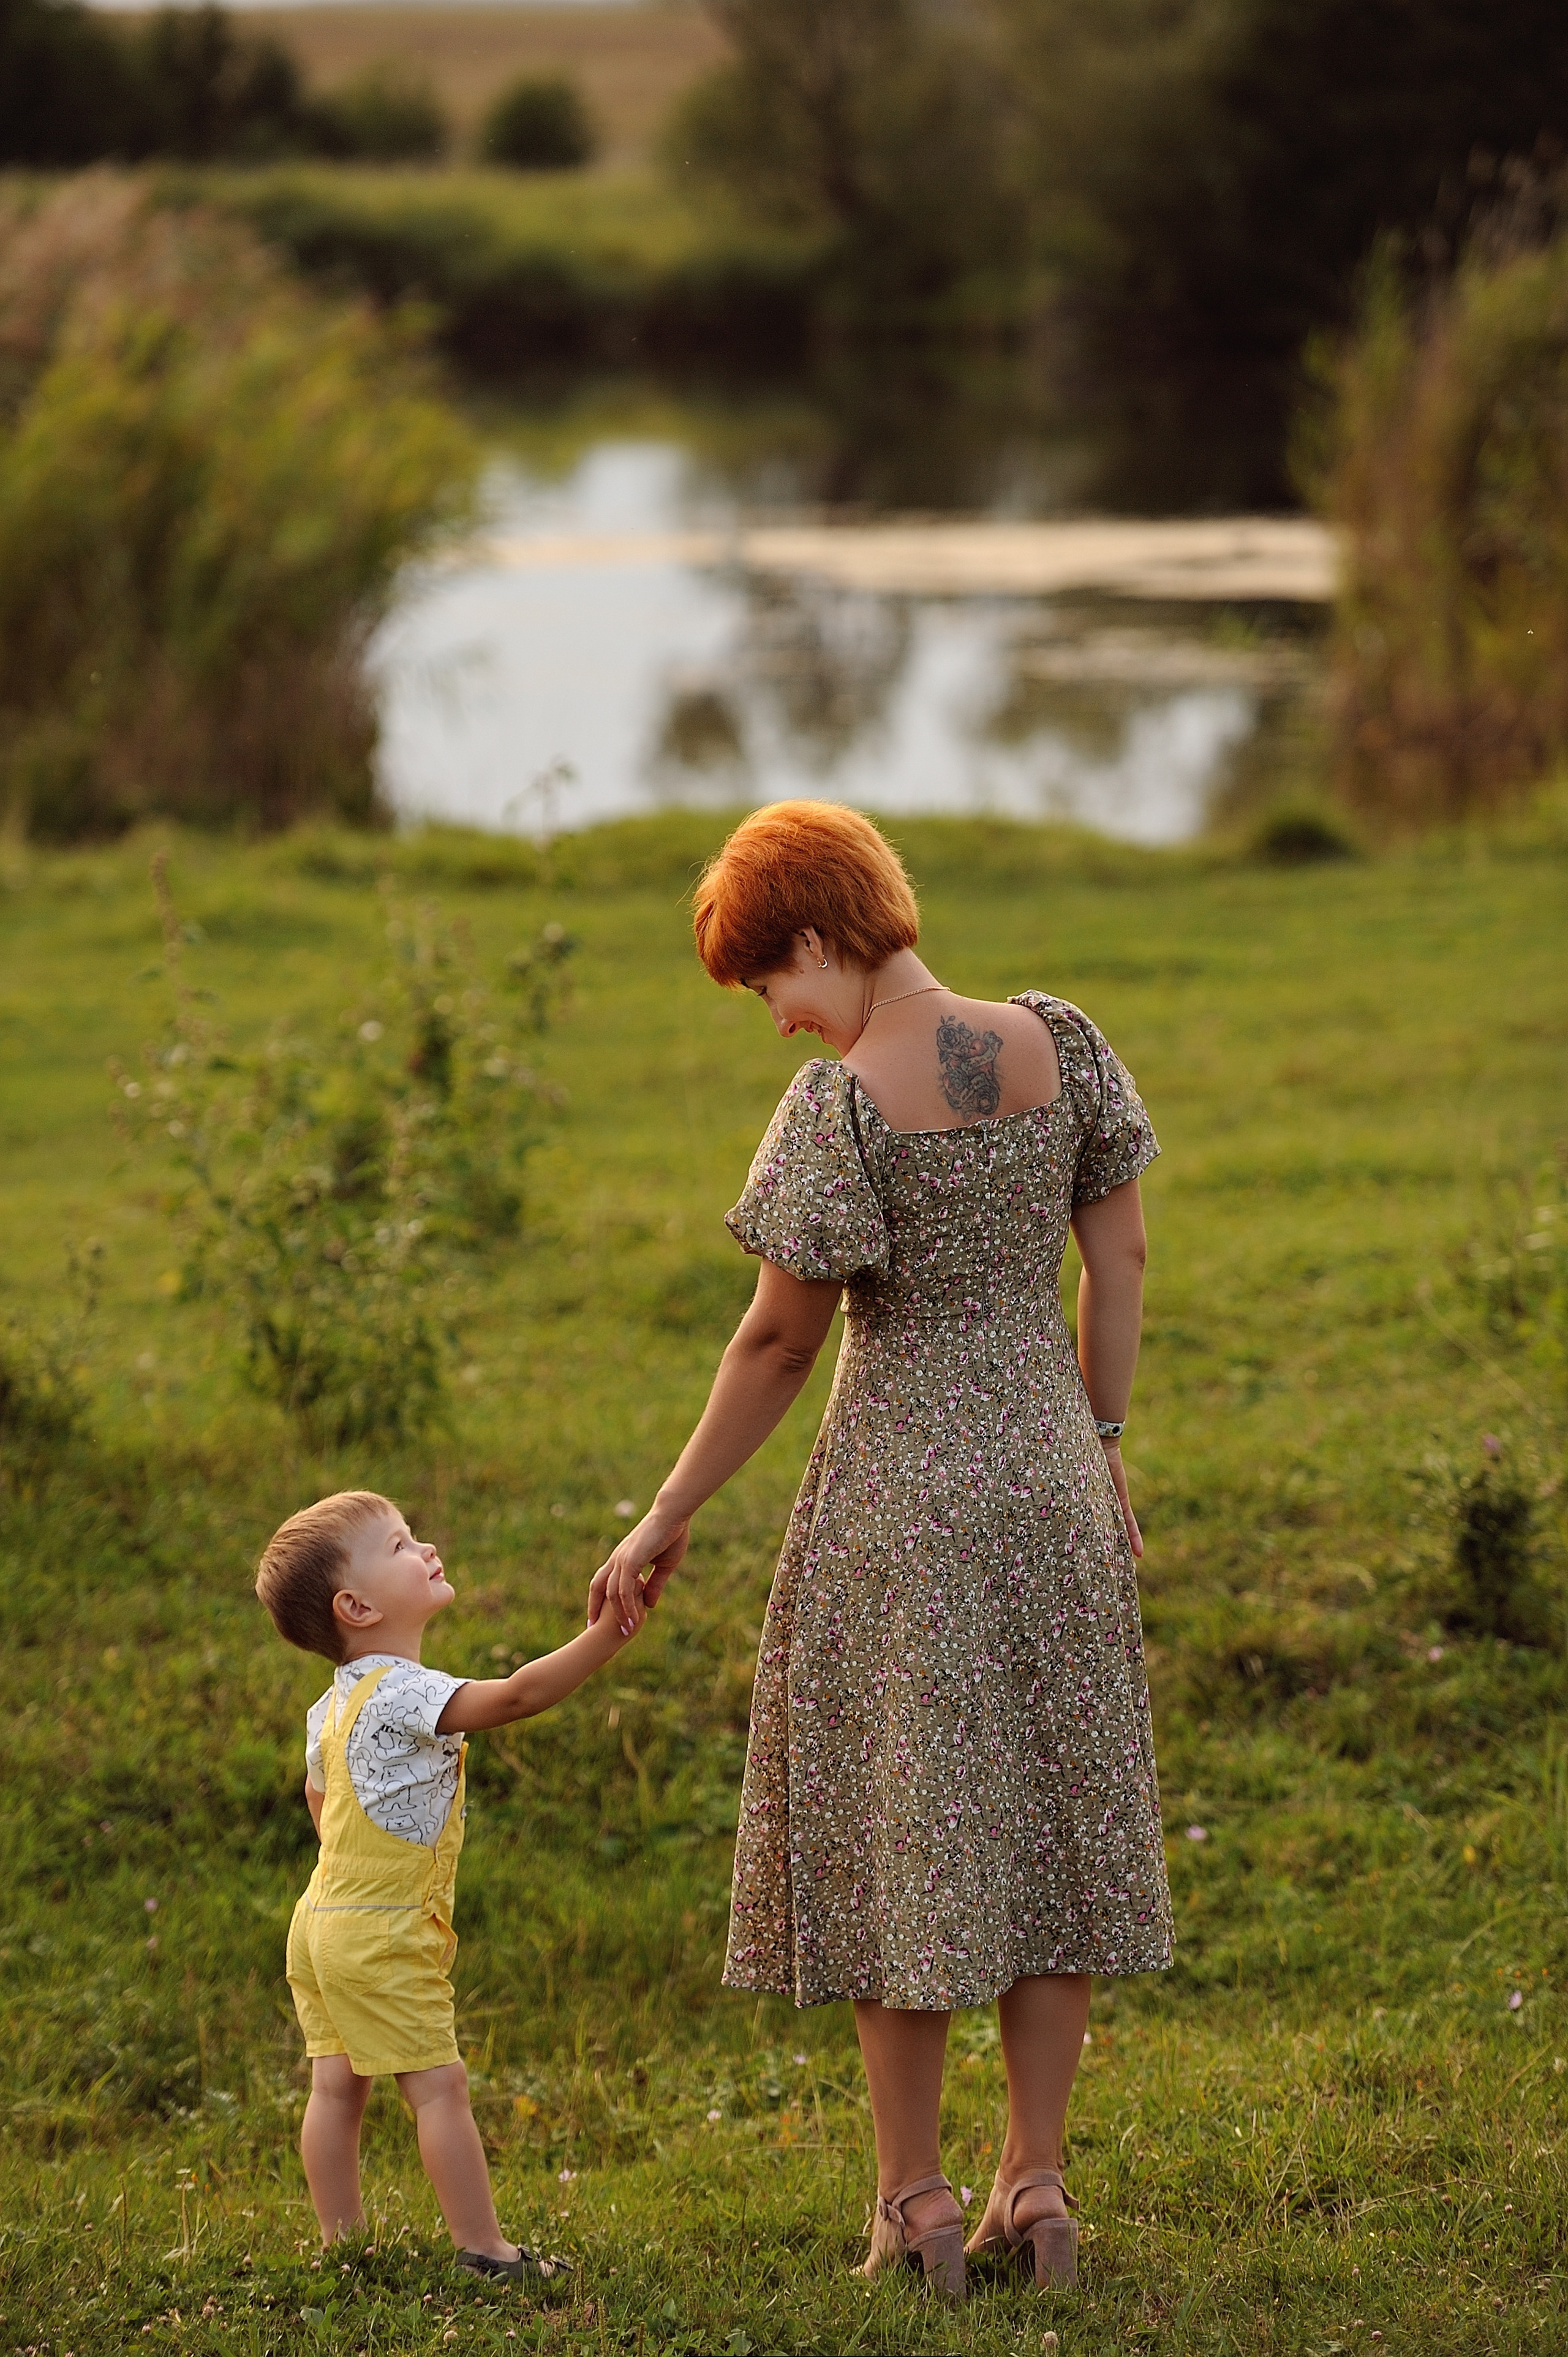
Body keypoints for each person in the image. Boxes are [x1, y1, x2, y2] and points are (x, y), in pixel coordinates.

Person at [590, 801, 1173, 2302]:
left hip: (899, 1501)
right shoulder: (1060, 1041)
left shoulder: (837, 1109)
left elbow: (781, 1340)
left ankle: (914, 2198)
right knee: (1053, 1820)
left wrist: (663, 1511)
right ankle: (1031, 2176)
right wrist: (1099, 1442)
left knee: (900, 1841)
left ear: (819, 932)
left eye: (767, 979)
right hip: (1050, 1473)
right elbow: (1117, 1259)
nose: (773, 1017)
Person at [256, 1489, 642, 2276]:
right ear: (356, 1605)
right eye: (400, 1545)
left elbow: (320, 1802)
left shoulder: (327, 1708)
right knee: (438, 2087)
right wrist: (606, 1634)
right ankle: (485, 2251)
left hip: (320, 1918)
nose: (425, 1547)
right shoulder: (402, 1690)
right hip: (385, 1926)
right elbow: (519, 1695)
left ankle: (343, 2245)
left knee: (335, 2087)